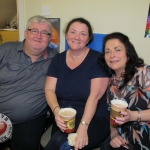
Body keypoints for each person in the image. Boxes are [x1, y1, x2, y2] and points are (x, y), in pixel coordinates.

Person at [44, 17, 110, 150]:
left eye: (83, 34)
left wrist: (83, 127)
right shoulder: (58, 59)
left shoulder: (98, 59)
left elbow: (95, 96)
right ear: (66, 34)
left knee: (64, 144)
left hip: (94, 117)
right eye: (73, 32)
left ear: (88, 38)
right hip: (65, 116)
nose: (77, 37)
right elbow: (49, 89)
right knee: (58, 141)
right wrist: (57, 112)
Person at [0, 15, 57, 150]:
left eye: (44, 33)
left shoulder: (56, 59)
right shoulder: (5, 50)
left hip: (30, 119)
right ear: (26, 33)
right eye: (34, 31)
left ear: (49, 39)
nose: (39, 36)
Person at [98, 32, 150, 150]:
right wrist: (114, 134)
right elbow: (112, 116)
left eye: (117, 50)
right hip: (123, 139)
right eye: (107, 51)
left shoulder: (145, 73)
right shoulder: (111, 82)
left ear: (128, 52)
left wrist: (132, 115)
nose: (112, 55)